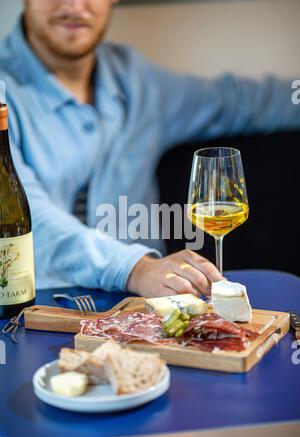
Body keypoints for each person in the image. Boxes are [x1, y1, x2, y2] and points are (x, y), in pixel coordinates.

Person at [0, 0, 299, 298]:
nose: (76, 5)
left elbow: (238, 102)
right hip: (39, 315)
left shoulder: (137, 80)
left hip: (154, 311)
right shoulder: (4, 90)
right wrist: (138, 269)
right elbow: (32, 221)